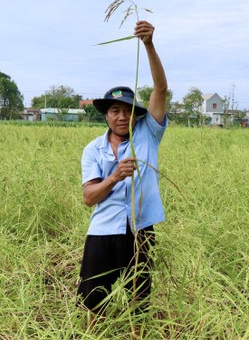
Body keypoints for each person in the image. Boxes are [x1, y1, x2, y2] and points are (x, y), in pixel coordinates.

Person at [77, 20, 168, 323]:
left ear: (136, 114)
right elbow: (89, 197)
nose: (122, 116)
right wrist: (115, 176)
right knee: (93, 301)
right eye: (114, 110)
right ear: (105, 115)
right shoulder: (93, 150)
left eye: (127, 109)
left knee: (139, 299)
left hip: (140, 229)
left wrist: (149, 44)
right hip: (102, 232)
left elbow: (160, 88)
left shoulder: (148, 134)